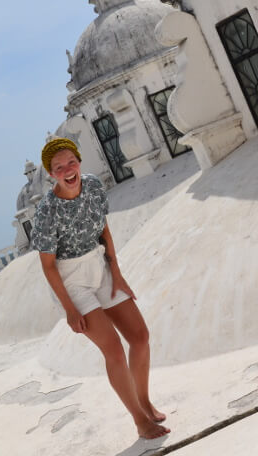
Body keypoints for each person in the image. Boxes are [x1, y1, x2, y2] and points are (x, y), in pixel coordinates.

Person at [31, 138, 169, 440]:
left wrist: (116, 273)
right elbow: (48, 265)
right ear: (51, 174)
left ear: (79, 162)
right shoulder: (46, 211)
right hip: (72, 281)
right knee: (114, 350)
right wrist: (69, 308)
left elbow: (103, 229)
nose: (67, 170)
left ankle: (144, 400)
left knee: (140, 336)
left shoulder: (92, 186)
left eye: (71, 162)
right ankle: (139, 420)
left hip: (101, 268)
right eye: (58, 168)